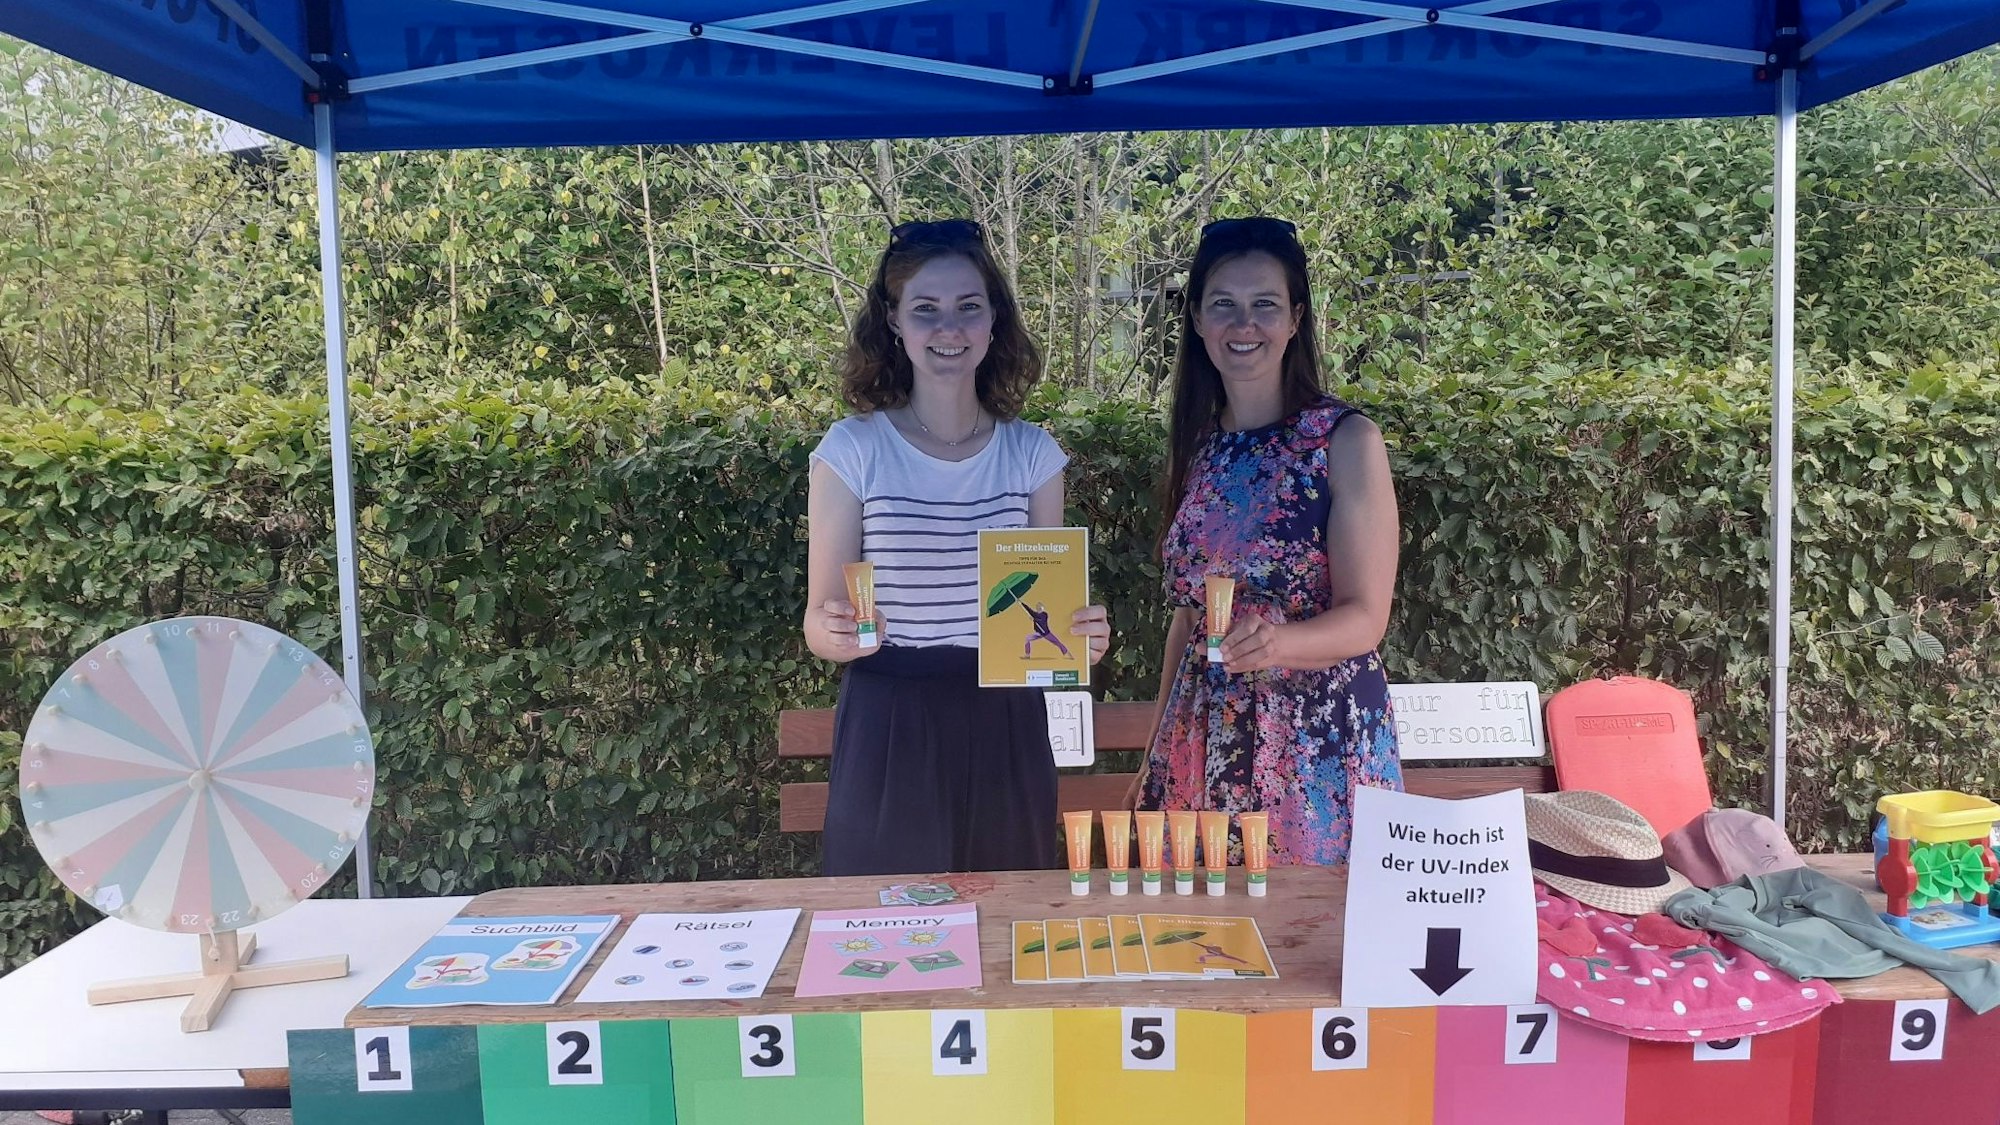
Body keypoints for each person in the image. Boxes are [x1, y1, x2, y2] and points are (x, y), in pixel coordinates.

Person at [804, 218, 1112, 876]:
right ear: (893, 322)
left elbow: (1050, 624)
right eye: (927, 310)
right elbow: (820, 621)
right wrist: (834, 631)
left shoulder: (1033, 455)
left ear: (994, 319)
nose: (949, 329)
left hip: (1006, 723)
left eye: (968, 307)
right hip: (889, 718)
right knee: (883, 942)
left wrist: (1080, 637)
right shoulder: (852, 449)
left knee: (1005, 934)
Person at [1132, 216, 1401, 866]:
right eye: (1224, 304)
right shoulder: (1201, 446)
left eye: (1264, 306)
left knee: (1309, 952)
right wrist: (1152, 753)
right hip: (1204, 735)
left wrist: (1280, 642)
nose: (1243, 324)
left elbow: (1366, 619)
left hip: (1314, 745)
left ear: (1294, 319)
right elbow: (1190, 617)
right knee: (1200, 943)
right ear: (1197, 319)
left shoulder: (1344, 441)